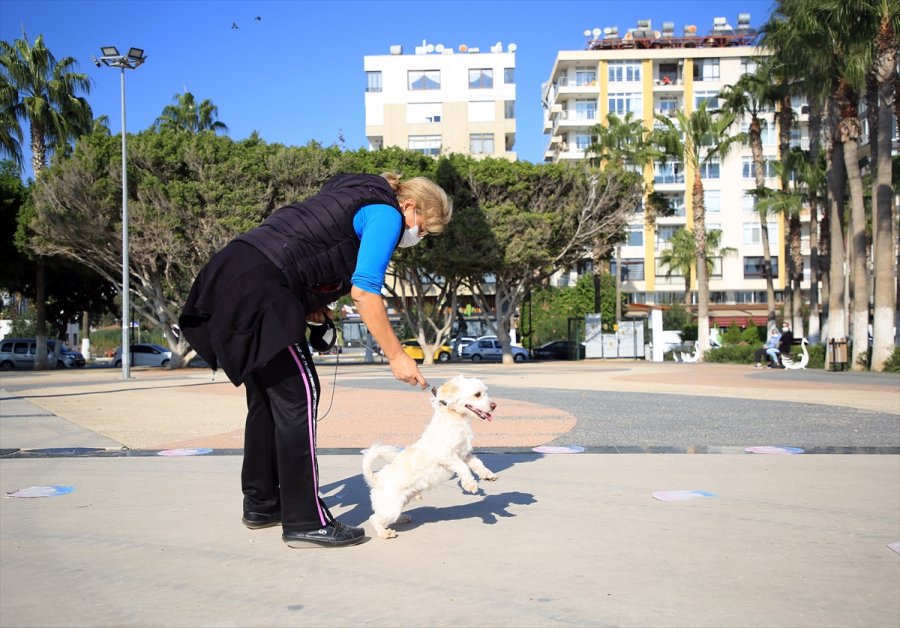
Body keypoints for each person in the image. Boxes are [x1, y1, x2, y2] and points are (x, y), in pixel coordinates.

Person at [178, 172, 453, 548]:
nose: (418, 237)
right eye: (422, 228)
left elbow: (308, 243)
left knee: (267, 399)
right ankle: (305, 520)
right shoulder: (387, 214)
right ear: (410, 206)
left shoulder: (354, 193)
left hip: (232, 272)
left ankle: (262, 504)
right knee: (300, 395)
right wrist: (397, 355)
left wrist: (314, 302)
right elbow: (365, 292)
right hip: (262, 289)